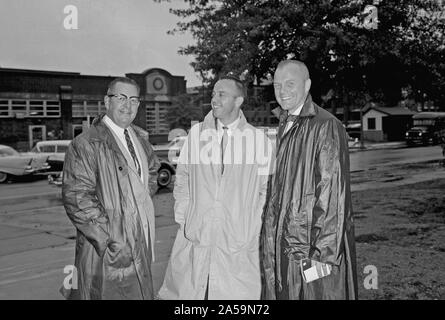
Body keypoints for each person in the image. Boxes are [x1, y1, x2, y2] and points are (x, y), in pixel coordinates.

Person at [157, 75, 274, 299]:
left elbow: (266, 190)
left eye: (221, 94)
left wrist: (251, 227)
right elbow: (182, 178)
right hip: (197, 237)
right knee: (194, 293)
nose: (214, 99)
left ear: (238, 101)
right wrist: (186, 217)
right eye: (213, 94)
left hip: (237, 242)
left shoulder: (258, 141)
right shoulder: (197, 134)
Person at [260, 60, 357, 300]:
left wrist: (321, 262)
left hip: (309, 252)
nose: (282, 91)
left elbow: (333, 198)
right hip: (285, 245)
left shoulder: (326, 126)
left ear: (307, 85)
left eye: (290, 84)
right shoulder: (286, 124)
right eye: (277, 85)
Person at [61, 77, 160, 300]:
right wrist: (109, 237)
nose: (128, 105)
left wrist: (137, 206)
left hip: (139, 240)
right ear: (107, 101)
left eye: (134, 100)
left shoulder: (141, 139)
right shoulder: (86, 143)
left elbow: (151, 171)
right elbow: (78, 198)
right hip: (106, 249)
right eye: (121, 98)